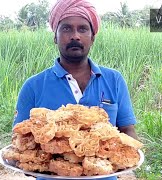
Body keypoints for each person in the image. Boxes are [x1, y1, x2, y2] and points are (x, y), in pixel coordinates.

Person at [13, 0, 138, 179]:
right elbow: (20, 142)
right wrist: (49, 166)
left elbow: (127, 130)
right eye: (66, 29)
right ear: (55, 36)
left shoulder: (114, 80)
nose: (75, 36)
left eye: (82, 29)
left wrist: (123, 160)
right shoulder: (33, 86)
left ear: (92, 37)